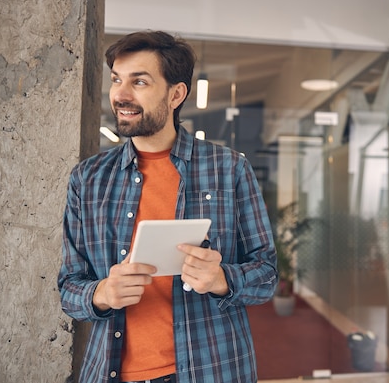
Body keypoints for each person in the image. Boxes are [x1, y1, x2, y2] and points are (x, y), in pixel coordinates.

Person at [58, 30, 278, 383]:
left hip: (211, 370)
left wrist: (223, 279)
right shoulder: (88, 179)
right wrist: (101, 292)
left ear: (176, 94)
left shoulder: (230, 168)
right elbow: (69, 287)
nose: (121, 94)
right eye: (116, 80)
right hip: (111, 372)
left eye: (139, 82)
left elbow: (266, 275)